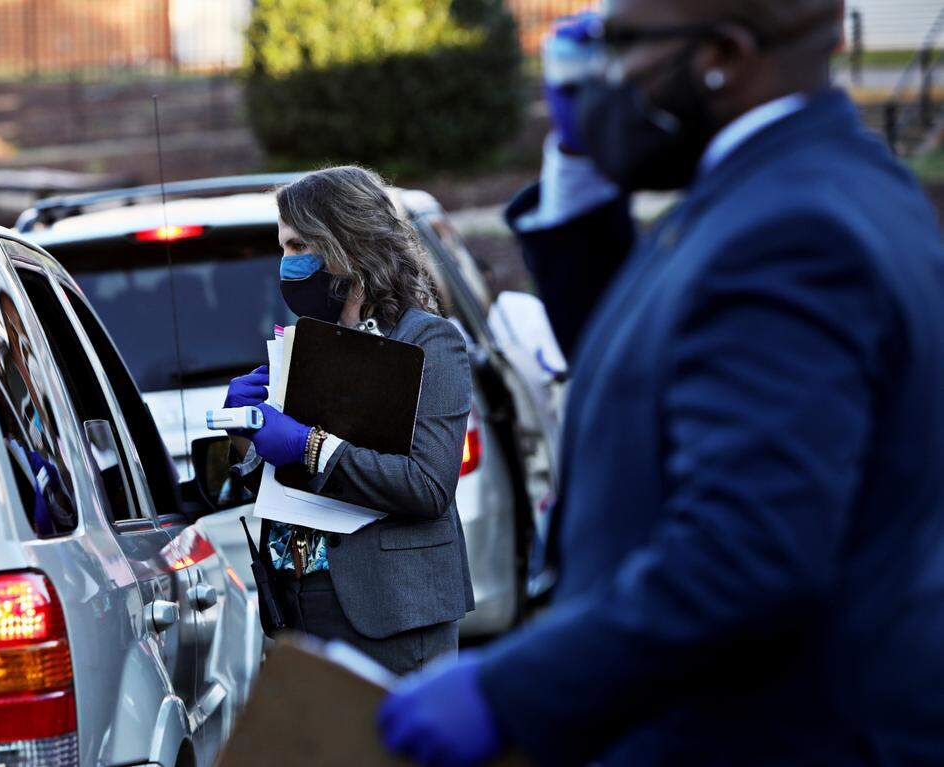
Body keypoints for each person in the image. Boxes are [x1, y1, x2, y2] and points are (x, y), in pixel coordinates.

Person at [378, 0, 944, 765]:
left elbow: (746, 555)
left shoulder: (789, 235)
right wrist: (579, 169)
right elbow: (647, 367)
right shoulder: (831, 181)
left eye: (620, 44)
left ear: (724, 55)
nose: (598, 73)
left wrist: (509, 690)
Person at [224, 166, 475, 674]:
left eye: (298, 247)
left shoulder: (427, 341)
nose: (286, 263)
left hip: (390, 611)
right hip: (298, 605)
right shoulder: (302, 344)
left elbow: (427, 486)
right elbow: (277, 487)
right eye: (283, 248)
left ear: (347, 244)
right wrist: (243, 436)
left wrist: (308, 446)